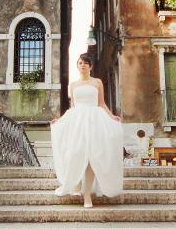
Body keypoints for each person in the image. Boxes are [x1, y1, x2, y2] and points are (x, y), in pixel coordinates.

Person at [50, 52, 123, 207]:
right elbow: (73, 107)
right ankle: (75, 181)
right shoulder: (73, 85)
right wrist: (61, 120)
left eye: (85, 63)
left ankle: (87, 194)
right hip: (77, 121)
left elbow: (101, 103)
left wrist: (111, 116)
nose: (82, 65)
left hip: (94, 120)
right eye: (79, 63)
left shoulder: (97, 82)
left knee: (91, 158)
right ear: (77, 66)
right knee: (75, 152)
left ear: (90, 66)